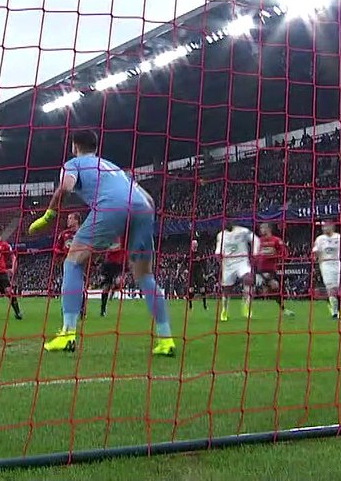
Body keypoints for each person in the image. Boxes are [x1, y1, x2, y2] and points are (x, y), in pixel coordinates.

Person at [28, 130, 174, 356]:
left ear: (74, 146)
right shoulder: (112, 167)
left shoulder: (73, 163)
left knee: (72, 263)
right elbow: (149, 199)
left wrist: (48, 215)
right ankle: (166, 340)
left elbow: (65, 187)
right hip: (143, 209)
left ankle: (67, 335)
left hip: (110, 207)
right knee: (145, 276)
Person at [215, 222, 255, 322]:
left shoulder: (241, 232)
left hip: (241, 262)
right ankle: (224, 310)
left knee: (248, 279)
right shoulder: (221, 236)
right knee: (226, 291)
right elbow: (217, 252)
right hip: (228, 265)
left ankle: (246, 305)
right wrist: (221, 262)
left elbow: (253, 238)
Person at [254, 222, 294, 317]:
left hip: (271, 269)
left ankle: (283, 308)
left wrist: (275, 255)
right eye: (260, 228)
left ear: (268, 229)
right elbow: (254, 254)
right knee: (268, 288)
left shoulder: (276, 240)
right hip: (259, 269)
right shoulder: (258, 241)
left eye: (262, 228)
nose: (261, 230)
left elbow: (285, 253)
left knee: (274, 288)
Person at [96, 239, 128, 317]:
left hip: (118, 267)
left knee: (118, 282)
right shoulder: (108, 251)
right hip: (108, 267)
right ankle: (103, 310)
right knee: (105, 289)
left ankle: (114, 288)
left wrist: (125, 272)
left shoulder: (124, 249)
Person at [185, 235, 209, 311]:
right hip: (191, 272)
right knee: (191, 289)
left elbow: (204, 263)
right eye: (194, 244)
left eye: (196, 244)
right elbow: (184, 262)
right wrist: (185, 269)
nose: (195, 246)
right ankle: (190, 306)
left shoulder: (200, 253)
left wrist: (205, 273)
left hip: (198, 272)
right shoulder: (189, 253)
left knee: (202, 289)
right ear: (192, 245)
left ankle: (205, 305)